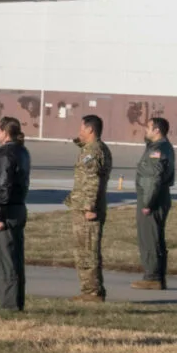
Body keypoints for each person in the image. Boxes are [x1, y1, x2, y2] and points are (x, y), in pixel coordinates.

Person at [0, 116, 32, 312]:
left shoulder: (5, 155)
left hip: (6, 210)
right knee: (15, 257)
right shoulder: (22, 151)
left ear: (5, 132)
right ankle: (16, 300)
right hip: (18, 207)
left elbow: (3, 186)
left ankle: (8, 304)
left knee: (3, 259)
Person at [65, 114, 112, 302]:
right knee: (85, 250)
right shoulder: (95, 148)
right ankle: (90, 289)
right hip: (85, 206)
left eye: (82, 128)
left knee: (87, 251)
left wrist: (89, 207)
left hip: (87, 210)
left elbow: (93, 180)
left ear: (90, 129)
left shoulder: (92, 152)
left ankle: (92, 291)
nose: (79, 131)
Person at [132, 117, 175, 290]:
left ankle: (152, 276)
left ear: (157, 130)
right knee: (156, 237)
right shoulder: (163, 146)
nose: (146, 130)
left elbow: (152, 179)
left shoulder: (156, 150)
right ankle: (158, 275)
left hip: (153, 197)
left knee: (149, 238)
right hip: (159, 195)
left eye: (148, 127)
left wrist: (147, 203)